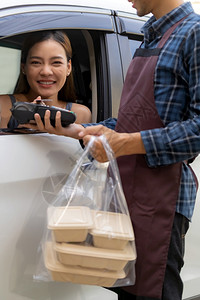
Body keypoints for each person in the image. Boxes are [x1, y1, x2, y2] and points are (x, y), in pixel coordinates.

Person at [23, 1, 200, 299]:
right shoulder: (151, 36)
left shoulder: (193, 34)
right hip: (128, 198)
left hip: (163, 202)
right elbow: (131, 121)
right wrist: (76, 131)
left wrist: (124, 144)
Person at [0, 30, 91, 129]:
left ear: (68, 68)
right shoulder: (3, 106)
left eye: (56, 62)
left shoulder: (81, 115)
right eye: (36, 62)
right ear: (23, 67)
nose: (46, 72)